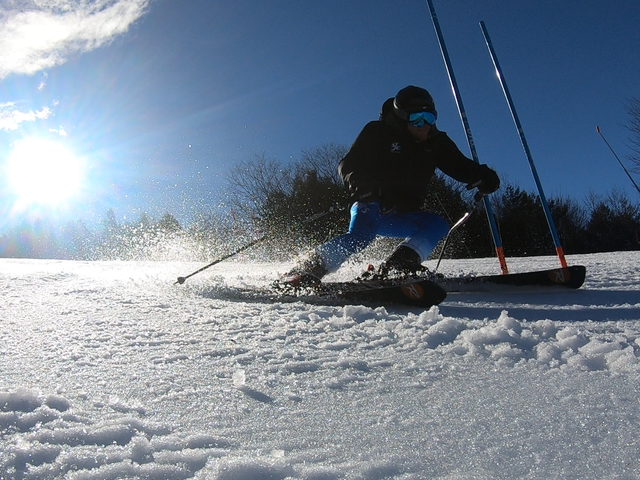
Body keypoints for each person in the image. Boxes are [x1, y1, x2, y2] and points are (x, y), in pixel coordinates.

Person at [284, 85, 500, 286]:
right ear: (402, 118)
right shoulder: (379, 133)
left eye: (430, 117)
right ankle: (305, 270)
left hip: (402, 214)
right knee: (361, 237)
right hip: (372, 203)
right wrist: (367, 188)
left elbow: (460, 166)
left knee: (436, 224)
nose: (424, 125)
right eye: (417, 119)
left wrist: (483, 176)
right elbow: (348, 165)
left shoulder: (436, 143)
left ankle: (400, 265)